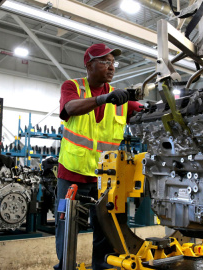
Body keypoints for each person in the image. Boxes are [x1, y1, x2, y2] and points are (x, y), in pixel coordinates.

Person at [55, 43, 142, 270]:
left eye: (113, 63)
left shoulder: (120, 98)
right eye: (105, 62)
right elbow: (70, 108)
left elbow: (145, 111)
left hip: (106, 176)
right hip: (72, 172)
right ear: (89, 65)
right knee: (67, 226)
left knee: (106, 228)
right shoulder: (73, 86)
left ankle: (102, 266)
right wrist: (102, 100)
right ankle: (66, 266)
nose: (111, 67)